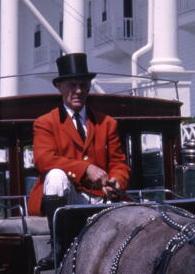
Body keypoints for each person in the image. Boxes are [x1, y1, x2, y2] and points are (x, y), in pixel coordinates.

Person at [27, 53, 131, 269]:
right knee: (55, 175)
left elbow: (119, 164)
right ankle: (59, 248)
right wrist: (85, 169)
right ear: (60, 87)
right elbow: (43, 159)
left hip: (99, 198)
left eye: (83, 85)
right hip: (65, 198)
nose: (78, 91)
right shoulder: (45, 123)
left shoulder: (107, 123)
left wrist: (117, 181)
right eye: (72, 85)